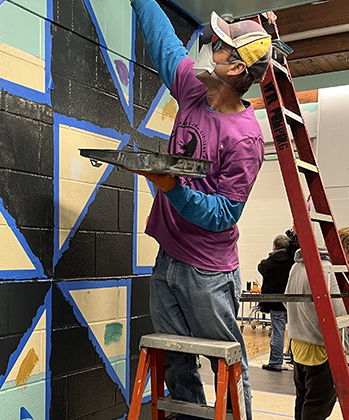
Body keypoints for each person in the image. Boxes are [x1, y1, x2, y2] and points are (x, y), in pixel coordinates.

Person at [130, 1, 271, 418]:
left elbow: (223, 214)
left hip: (208, 272)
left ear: (234, 70)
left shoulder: (245, 140)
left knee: (225, 361)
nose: (210, 45)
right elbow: (163, 43)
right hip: (168, 256)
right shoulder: (194, 86)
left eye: (221, 46)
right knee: (176, 360)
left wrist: (172, 188)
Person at [286, 227, 349, 420]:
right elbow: (339, 319)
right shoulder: (328, 271)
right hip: (323, 350)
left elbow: (286, 301)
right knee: (317, 409)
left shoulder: (298, 265)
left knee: (304, 401)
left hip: (298, 346)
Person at [258, 234, 294, 371]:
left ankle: (275, 362)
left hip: (276, 304)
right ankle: (296, 361)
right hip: (292, 302)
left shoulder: (270, 262)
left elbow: (260, 267)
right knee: (294, 333)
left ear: (275, 246)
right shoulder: (292, 262)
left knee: (278, 333)